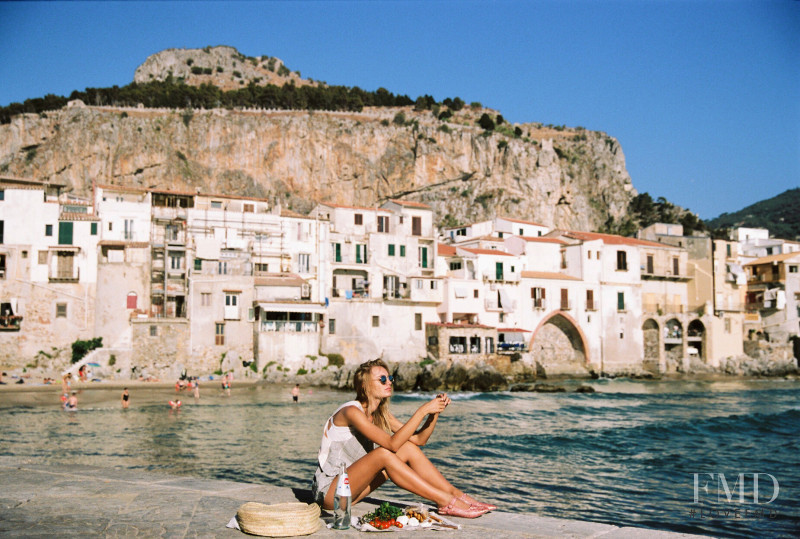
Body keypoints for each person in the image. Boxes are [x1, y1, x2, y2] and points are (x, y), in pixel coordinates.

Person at [311, 359, 495, 519]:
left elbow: (418, 441)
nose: (388, 382)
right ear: (365, 385)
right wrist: (422, 410)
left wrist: (433, 414)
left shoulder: (381, 414)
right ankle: (445, 501)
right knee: (384, 453)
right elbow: (391, 444)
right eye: (382, 379)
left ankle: (457, 495)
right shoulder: (351, 411)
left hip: (353, 492)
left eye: (390, 378)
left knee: (406, 447)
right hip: (330, 493)